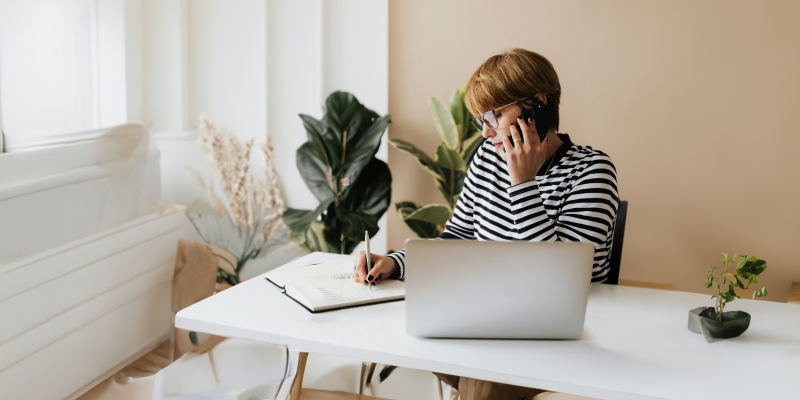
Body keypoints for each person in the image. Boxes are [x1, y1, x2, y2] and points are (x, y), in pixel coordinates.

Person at [355, 48, 620, 287]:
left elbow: (566, 279)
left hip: (564, 323)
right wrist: (396, 263)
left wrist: (523, 184)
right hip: (489, 305)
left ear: (539, 105)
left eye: (494, 116)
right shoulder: (488, 157)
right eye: (481, 120)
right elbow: (458, 238)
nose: (485, 133)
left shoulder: (592, 171)